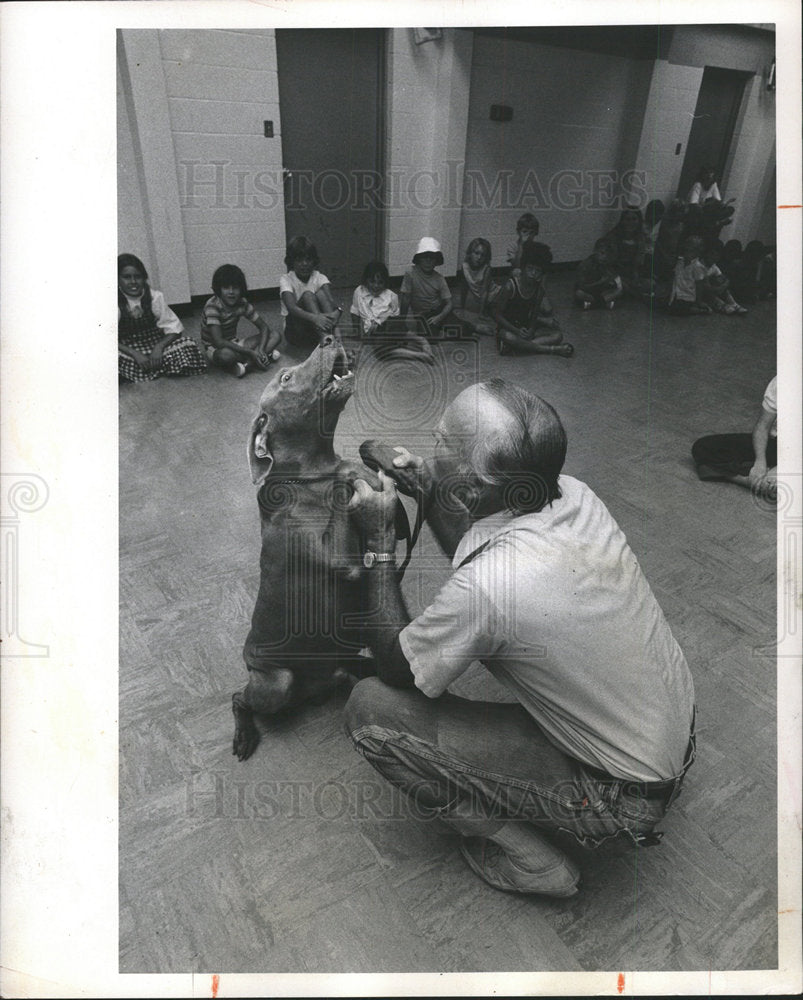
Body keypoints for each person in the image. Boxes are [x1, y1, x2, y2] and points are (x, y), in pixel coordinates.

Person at [344, 379, 696, 897]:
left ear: (468, 491)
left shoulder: (488, 590)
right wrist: (435, 486)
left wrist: (377, 544)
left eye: (439, 443)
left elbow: (399, 667)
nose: (427, 447)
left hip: (618, 797)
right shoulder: (574, 493)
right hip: (671, 738)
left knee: (370, 709)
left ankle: (534, 861)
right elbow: (479, 553)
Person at [118, 253, 207, 383]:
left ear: (144, 278)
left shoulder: (155, 297)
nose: (133, 282)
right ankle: (150, 369)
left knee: (188, 344)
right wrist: (134, 354)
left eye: (137, 277)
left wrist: (159, 348)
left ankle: (146, 369)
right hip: (128, 350)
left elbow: (175, 329)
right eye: (126, 277)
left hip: (155, 347)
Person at [692, 376, 778, 501]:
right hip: (777, 444)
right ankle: (756, 482)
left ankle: (767, 481)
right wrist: (760, 463)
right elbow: (762, 427)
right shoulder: (781, 381)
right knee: (703, 447)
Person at [200, 264, 281, 377]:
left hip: (234, 343)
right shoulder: (212, 306)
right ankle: (262, 356)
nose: (231, 292)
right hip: (215, 348)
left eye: (235, 288)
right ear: (219, 289)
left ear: (241, 288)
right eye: (226, 288)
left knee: (275, 335)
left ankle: (249, 364)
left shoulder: (242, 303)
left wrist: (261, 349)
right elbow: (219, 341)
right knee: (226, 356)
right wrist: (251, 352)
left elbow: (264, 327)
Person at [494, 242, 573, 356]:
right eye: (530, 269)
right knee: (505, 335)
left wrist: (531, 329)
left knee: (558, 335)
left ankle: (517, 348)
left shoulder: (539, 290)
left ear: (542, 273)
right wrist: (516, 331)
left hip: (524, 329)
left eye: (537, 271)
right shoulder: (510, 286)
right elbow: (497, 314)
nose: (533, 274)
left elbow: (534, 315)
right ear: (523, 267)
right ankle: (551, 350)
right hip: (509, 328)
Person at [350, 260, 432, 363]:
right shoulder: (359, 292)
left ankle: (420, 340)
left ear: (385, 282)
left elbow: (396, 318)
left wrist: (382, 320)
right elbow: (355, 312)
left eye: (380, 283)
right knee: (381, 352)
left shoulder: (391, 296)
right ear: (366, 280)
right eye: (372, 282)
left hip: (389, 325)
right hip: (374, 333)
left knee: (398, 331)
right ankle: (418, 355)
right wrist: (357, 333)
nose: (376, 286)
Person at [279, 236, 342, 349]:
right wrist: (316, 318)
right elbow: (292, 308)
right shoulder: (286, 279)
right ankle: (326, 340)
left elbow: (332, 303)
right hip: (295, 333)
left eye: (308, 259)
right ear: (291, 262)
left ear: (314, 261)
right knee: (308, 295)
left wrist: (337, 312)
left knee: (321, 294)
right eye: (299, 260)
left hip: (314, 331)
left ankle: (337, 340)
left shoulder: (319, 277)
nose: (304, 264)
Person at [399, 237, 453, 335]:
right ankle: (441, 329)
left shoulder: (439, 278)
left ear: (436, 261)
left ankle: (474, 327)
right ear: (418, 258)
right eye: (425, 257)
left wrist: (439, 317)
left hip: (439, 310)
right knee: (428, 334)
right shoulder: (410, 274)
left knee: (460, 328)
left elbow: (449, 303)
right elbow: (405, 299)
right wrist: (401, 320)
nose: (428, 261)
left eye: (432, 258)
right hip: (422, 315)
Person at [453, 238, 499, 336]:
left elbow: (485, 291)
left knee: (496, 314)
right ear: (470, 253)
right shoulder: (465, 266)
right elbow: (464, 287)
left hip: (493, 294)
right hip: (480, 296)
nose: (479, 257)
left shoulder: (486, 269)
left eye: (483, 255)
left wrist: (481, 312)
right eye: (476, 253)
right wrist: (462, 306)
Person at [699, 242, 748, 315]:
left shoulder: (713, 266)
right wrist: (718, 289)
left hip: (711, 289)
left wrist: (722, 286)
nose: (714, 257)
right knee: (708, 291)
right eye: (712, 254)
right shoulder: (699, 265)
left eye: (717, 256)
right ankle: (722, 305)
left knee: (720, 281)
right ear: (706, 253)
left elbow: (725, 279)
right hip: (699, 292)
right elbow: (705, 287)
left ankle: (734, 304)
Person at [574, 238, 623, 310]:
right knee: (579, 293)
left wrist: (614, 281)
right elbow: (581, 286)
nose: (604, 257)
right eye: (602, 253)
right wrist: (600, 282)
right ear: (595, 251)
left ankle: (592, 305)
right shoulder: (585, 265)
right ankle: (601, 303)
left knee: (618, 292)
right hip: (588, 291)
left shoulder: (609, 264)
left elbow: (615, 280)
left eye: (608, 255)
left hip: (602, 292)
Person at [667, 236, 711, 315]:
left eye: (691, 251)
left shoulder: (697, 266)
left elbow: (699, 285)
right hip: (675, 293)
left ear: (698, 252)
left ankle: (700, 310)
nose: (687, 253)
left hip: (687, 296)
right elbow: (674, 277)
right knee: (662, 303)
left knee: (677, 309)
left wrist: (698, 302)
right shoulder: (679, 262)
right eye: (686, 250)